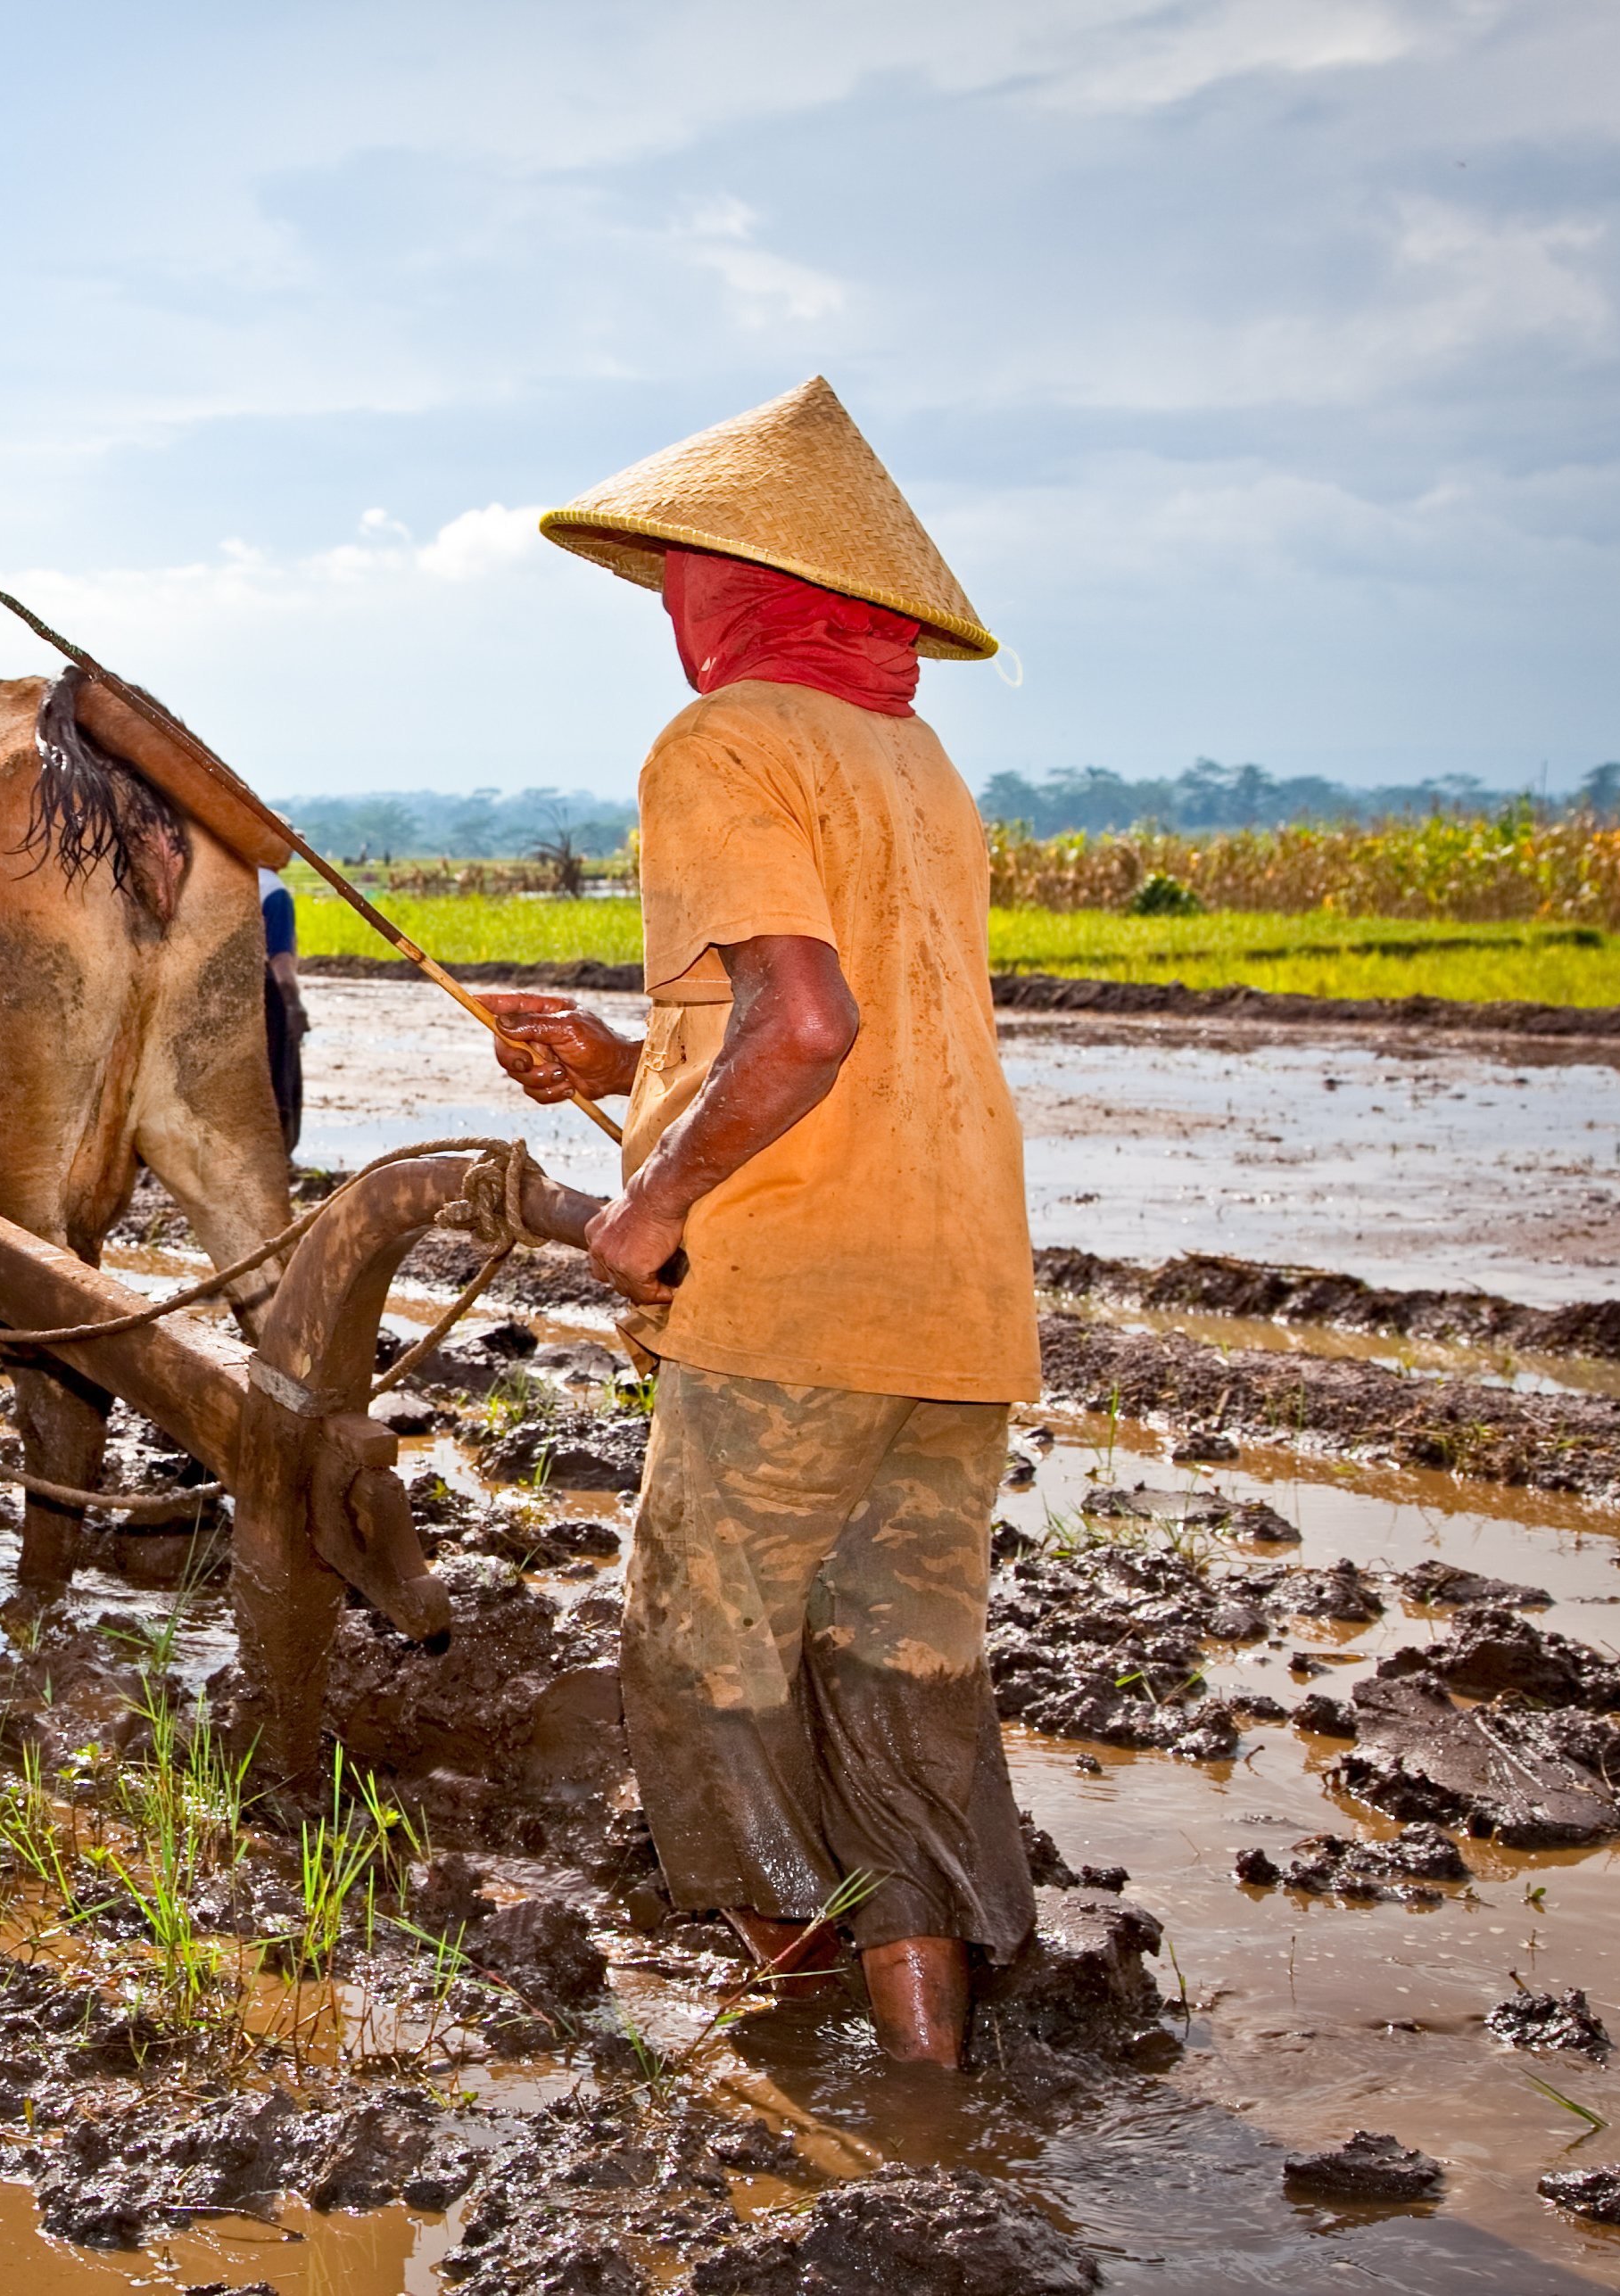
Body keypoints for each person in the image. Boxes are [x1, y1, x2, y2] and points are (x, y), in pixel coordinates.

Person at [484, 377, 1038, 2069]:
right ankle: (924, 2071)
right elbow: (816, 1013)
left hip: (790, 1297)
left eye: (681, 580)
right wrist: (617, 1055)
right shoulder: (913, 756)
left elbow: (803, 1025)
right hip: (953, 1294)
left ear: (736, 590)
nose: (670, 608)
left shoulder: (717, 745)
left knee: (699, 1657)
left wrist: (649, 1196)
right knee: (900, 1674)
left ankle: (786, 1998)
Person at [259, 868, 306, 1151]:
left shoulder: (226, 877)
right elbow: (281, 960)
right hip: (268, 995)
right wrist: (293, 1004)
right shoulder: (273, 892)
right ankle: (277, 1155)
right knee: (280, 1078)